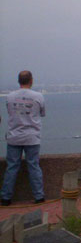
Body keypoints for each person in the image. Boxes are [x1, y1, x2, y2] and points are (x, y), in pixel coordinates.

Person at [1, 70, 46, 206]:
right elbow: (42, 113)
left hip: (14, 136)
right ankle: (39, 196)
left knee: (12, 167)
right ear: (31, 80)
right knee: (33, 165)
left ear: (18, 81)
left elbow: (10, 113)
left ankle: (6, 198)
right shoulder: (38, 96)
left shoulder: (10, 96)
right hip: (32, 137)